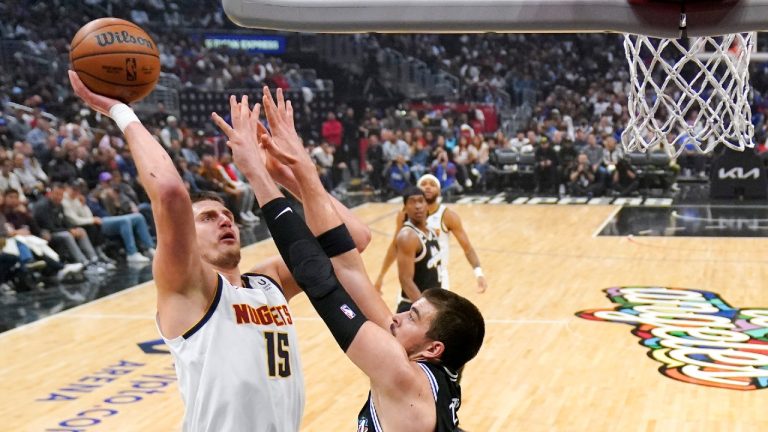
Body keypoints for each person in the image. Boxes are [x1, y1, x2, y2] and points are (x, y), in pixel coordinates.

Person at [69, 72, 370, 432]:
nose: (225, 221)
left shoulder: (268, 282)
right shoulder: (189, 287)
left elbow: (354, 238)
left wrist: (288, 177)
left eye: (227, 216)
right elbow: (168, 191)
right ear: (184, 236)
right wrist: (120, 111)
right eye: (208, 218)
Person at [215, 87, 484, 431]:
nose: (397, 316)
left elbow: (320, 281)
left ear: (433, 349)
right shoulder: (425, 369)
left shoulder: (400, 373)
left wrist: (256, 175)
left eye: (413, 316)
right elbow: (346, 265)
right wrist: (296, 170)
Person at [375, 174, 488, 294]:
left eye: (432, 185)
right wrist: (381, 275)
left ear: (439, 191)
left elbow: (468, 248)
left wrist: (478, 273)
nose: (428, 187)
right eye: (424, 184)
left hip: (438, 278)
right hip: (412, 279)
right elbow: (395, 247)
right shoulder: (404, 215)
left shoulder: (447, 215)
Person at [392, 186, 443, 313]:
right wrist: (425, 311)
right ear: (404, 208)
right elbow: (406, 280)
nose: (418, 206)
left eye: (421, 201)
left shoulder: (431, 232)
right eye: (412, 202)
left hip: (429, 305)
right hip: (413, 308)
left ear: (427, 205)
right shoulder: (408, 236)